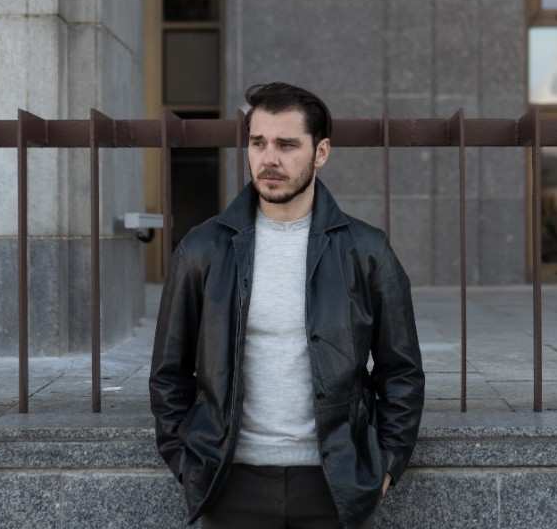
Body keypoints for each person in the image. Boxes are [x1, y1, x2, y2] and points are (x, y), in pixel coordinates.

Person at [150, 82, 425, 528]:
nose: (269, 159)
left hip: (334, 486)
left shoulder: (366, 251)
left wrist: (386, 467)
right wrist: (187, 463)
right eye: (258, 143)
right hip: (229, 485)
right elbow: (169, 373)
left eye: (287, 144)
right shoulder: (203, 250)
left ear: (321, 153)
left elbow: (402, 370)